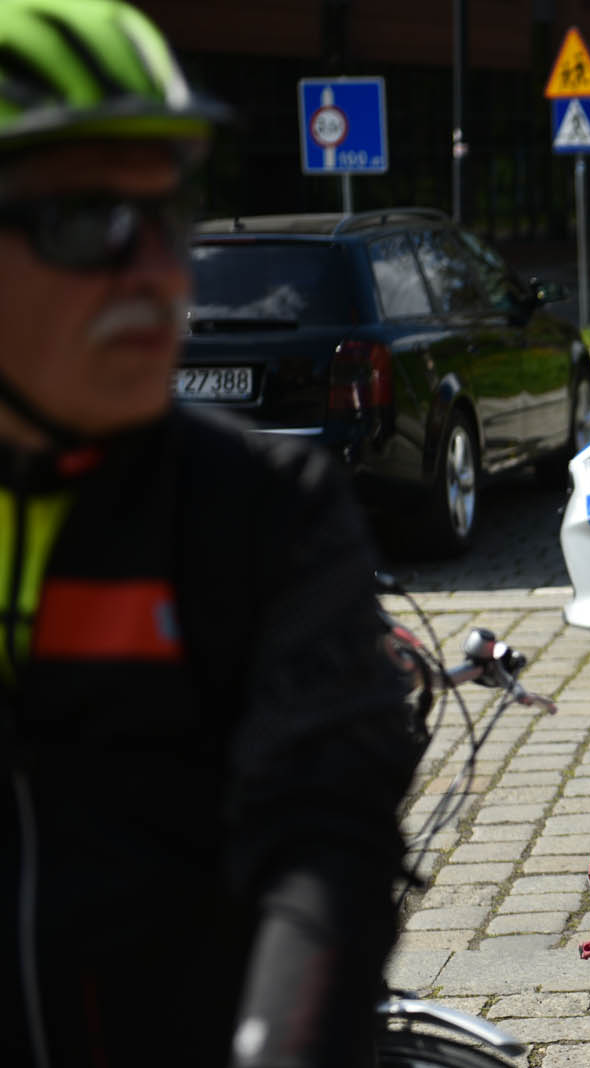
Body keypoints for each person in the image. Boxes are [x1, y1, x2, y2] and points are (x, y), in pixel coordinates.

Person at [0, 3, 416, 1066]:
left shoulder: (265, 506)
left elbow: (330, 837)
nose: (156, 273)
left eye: (168, 211)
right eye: (87, 219)